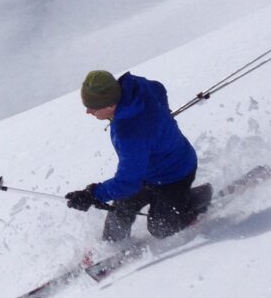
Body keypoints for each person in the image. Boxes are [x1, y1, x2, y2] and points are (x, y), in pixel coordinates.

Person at [65, 68, 208, 246]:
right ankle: (111, 245)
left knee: (161, 228)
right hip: (147, 172)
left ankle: (196, 200)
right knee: (121, 210)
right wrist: (161, 115)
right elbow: (158, 88)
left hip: (175, 174)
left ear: (110, 105)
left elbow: (127, 183)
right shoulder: (136, 87)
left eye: (92, 108)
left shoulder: (131, 133)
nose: (88, 112)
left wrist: (93, 194)